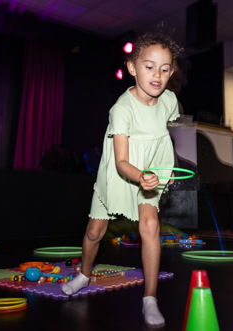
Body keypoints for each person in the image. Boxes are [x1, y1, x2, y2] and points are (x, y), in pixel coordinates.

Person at [61, 28, 183, 329]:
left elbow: (162, 133)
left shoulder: (169, 101)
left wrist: (154, 173)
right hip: (122, 173)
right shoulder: (121, 110)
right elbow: (121, 162)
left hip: (150, 173)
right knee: (94, 230)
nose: (157, 74)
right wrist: (139, 175)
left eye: (165, 69)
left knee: (150, 226)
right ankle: (83, 275)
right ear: (132, 67)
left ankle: (150, 298)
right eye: (149, 66)